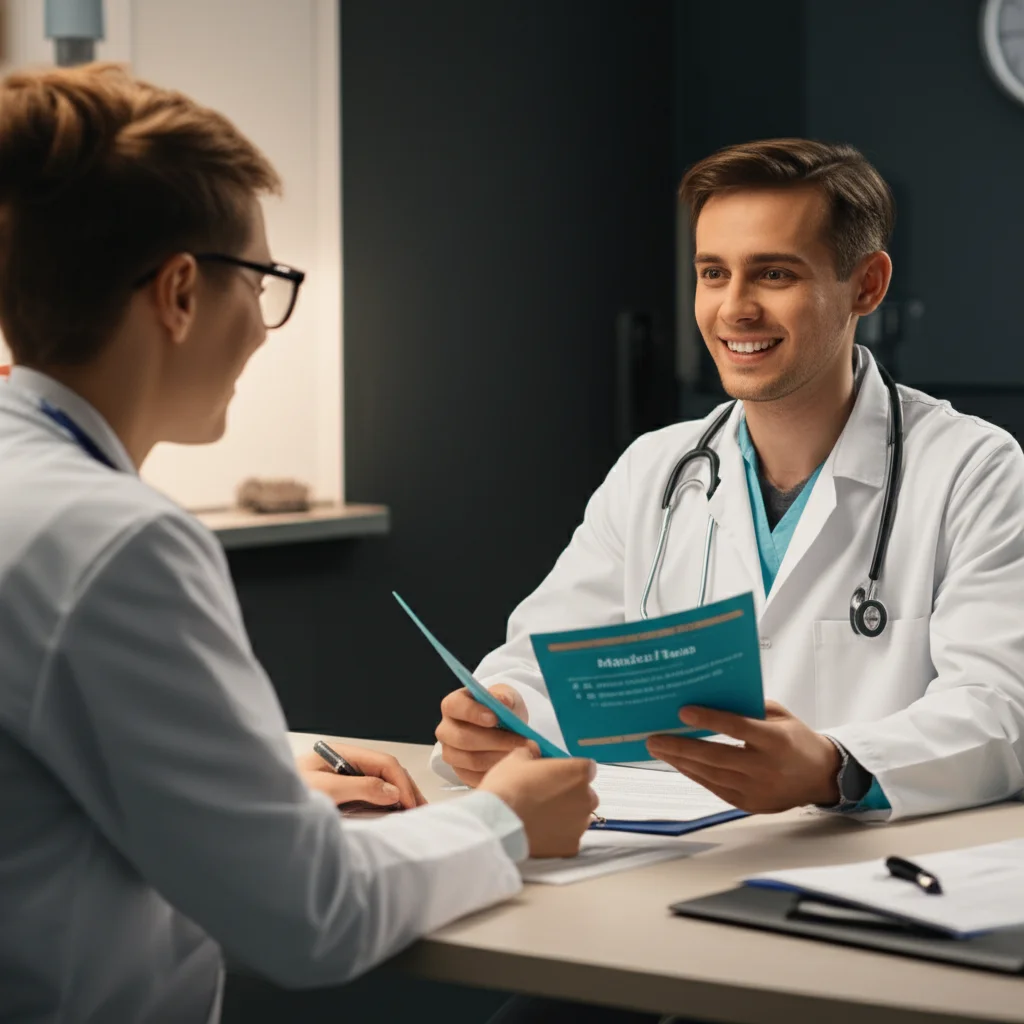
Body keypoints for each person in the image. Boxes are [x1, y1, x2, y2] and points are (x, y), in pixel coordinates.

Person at [0, 63, 599, 1024]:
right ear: (180, 293)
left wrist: (255, 783)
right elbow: (311, 917)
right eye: (262, 282)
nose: (265, 328)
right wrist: (509, 822)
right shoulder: (117, 543)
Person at [434, 137, 1024, 824]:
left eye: (773, 274)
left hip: (869, 859)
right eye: (713, 273)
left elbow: (1001, 712)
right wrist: (500, 717)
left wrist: (833, 765)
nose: (735, 308)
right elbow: (543, 667)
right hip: (672, 856)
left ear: (867, 284)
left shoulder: (972, 471)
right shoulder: (655, 470)